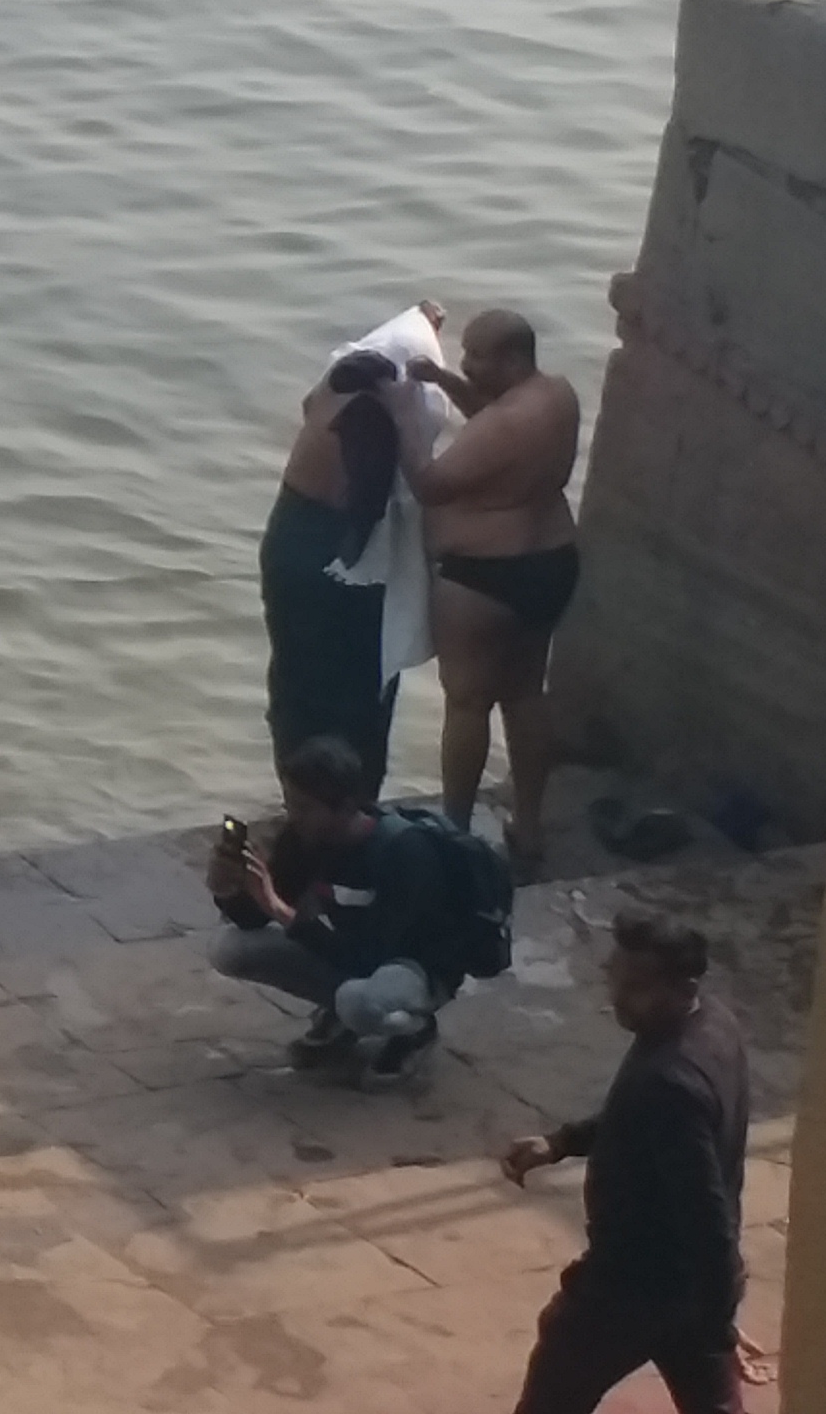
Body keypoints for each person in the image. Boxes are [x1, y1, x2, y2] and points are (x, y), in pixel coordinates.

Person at [500, 910, 753, 1414]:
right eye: (615, 977)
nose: (616, 996)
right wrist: (561, 1143)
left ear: (682, 987)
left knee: (553, 1397)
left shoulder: (668, 1079)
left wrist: (720, 1327)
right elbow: (641, 1123)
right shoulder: (712, 1024)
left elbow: (706, 1214)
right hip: (690, 1290)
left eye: (634, 986)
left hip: (626, 1292)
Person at [405, 309, 582, 866]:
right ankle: (528, 826)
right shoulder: (554, 397)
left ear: (509, 359)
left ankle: (454, 829)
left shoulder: (505, 424)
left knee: (467, 701)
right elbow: (495, 425)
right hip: (550, 561)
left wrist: (402, 429)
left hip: (485, 574)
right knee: (526, 693)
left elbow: (433, 485)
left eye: (475, 356)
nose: (465, 363)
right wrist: (444, 385)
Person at [208, 733, 480, 1081]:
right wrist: (228, 890)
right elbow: (254, 919)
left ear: (347, 807)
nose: (293, 817)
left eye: (305, 808)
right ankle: (342, 1016)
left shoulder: (403, 853)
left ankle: (414, 1029)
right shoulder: (303, 839)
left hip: (412, 968)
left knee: (358, 1000)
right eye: (289, 804)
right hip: (351, 954)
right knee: (230, 948)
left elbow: (372, 955)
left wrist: (279, 909)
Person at [259, 348, 409, 788]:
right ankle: (346, 797)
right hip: (327, 542)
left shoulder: (330, 394)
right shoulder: (373, 414)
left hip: (296, 532)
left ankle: (306, 796)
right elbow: (416, 490)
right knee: (359, 686)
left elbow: (310, 406)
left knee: (300, 682)